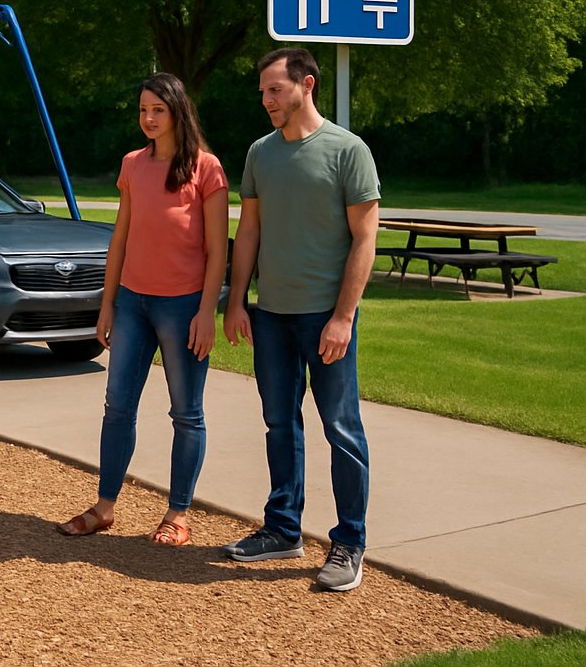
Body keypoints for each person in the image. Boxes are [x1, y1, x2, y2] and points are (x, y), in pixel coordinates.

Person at [221, 47, 379, 592]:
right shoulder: (261, 154)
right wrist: (236, 300)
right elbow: (250, 233)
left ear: (307, 85)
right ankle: (283, 529)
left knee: (341, 430)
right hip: (272, 318)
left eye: (275, 90)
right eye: (263, 92)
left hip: (325, 319)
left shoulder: (347, 150)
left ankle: (349, 541)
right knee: (279, 424)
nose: (266, 100)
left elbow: (365, 239)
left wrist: (343, 317)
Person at [58, 72, 228, 547]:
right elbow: (121, 239)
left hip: (183, 308)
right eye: (142, 110)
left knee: (186, 413)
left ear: (177, 112)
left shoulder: (206, 168)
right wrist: (107, 304)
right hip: (132, 302)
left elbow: (218, 250)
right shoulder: (133, 164)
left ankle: (177, 515)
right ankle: (105, 506)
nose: (148, 119)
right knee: (117, 408)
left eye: (157, 109)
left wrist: (206, 312)